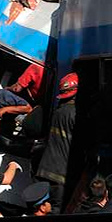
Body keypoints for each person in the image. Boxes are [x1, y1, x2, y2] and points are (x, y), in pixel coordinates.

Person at [35, 72, 79, 213]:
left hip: (44, 171)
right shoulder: (75, 114)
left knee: (42, 211)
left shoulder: (57, 112)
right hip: (61, 175)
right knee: (57, 213)